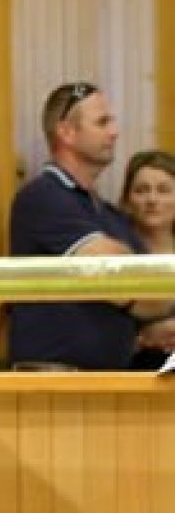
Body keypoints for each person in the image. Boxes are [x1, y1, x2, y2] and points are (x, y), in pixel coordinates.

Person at [8, 83, 171, 371]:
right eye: (102, 122)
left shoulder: (106, 213)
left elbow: (152, 293)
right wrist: (131, 277)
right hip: (55, 379)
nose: (114, 132)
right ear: (67, 132)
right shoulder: (44, 196)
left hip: (105, 378)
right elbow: (114, 273)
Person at [116, 150, 175, 369]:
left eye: (164, 190)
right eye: (141, 190)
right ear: (127, 199)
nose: (152, 199)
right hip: (131, 374)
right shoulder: (115, 254)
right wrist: (143, 338)